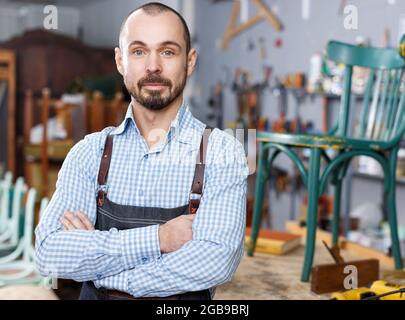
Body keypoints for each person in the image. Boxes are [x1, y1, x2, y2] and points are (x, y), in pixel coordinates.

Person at [35, 2, 248, 300]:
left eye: (167, 51)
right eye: (138, 51)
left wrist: (107, 274)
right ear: (121, 61)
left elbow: (216, 261)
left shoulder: (222, 153)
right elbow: (51, 254)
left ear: (190, 61)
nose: (152, 67)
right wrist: (160, 239)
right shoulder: (89, 153)